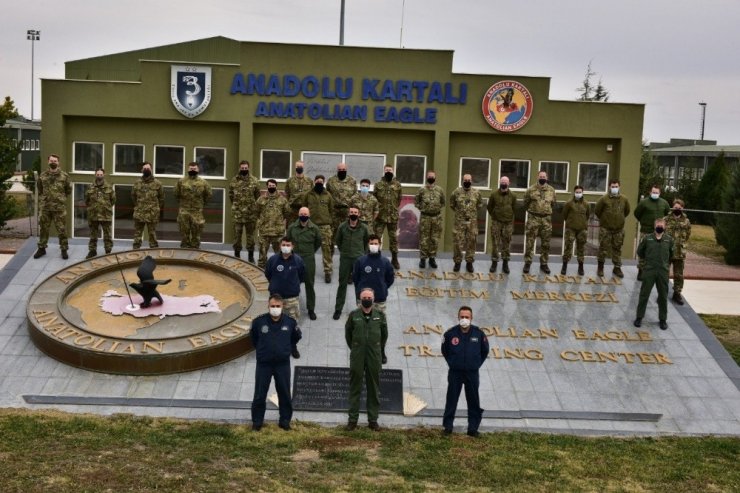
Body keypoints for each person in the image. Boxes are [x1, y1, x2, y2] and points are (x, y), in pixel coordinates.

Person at [250, 294, 302, 431]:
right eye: (272, 306)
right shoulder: (259, 322)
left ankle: (285, 421)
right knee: (260, 394)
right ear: (268, 306)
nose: (275, 308)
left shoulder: (290, 322)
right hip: (264, 364)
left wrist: (285, 349)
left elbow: (295, 338)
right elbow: (254, 339)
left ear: (282, 306)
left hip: (282, 364)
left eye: (277, 306)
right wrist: (263, 350)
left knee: (284, 393)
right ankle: (257, 422)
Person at [441, 306, 489, 437]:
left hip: (472, 373)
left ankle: (473, 428)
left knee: (473, 400)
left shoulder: (479, 334)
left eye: (466, 317)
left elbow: (484, 351)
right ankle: (448, 426)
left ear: (471, 318)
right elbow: (445, 350)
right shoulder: (450, 334)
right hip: (455, 372)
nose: (464, 319)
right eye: (462, 317)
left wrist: (476, 364)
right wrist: (452, 362)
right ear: (458, 317)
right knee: (451, 399)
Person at [345, 287, 388, 431]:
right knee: (355, 387)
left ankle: (373, 420)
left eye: (369, 298)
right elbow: (348, 335)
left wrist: (377, 349)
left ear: (373, 299)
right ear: (360, 298)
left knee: (373, 388)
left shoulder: (380, 315)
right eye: (365, 297)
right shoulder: (354, 315)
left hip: (374, 355)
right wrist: (357, 347)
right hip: (357, 354)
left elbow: (384, 335)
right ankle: (352, 420)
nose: (367, 300)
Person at [634, 218, 674, 330]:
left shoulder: (669, 240)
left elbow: (672, 254)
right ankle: (639, 317)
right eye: (658, 225)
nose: (660, 227)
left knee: (663, 296)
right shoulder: (647, 238)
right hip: (649, 270)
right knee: (644, 294)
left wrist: (665, 265)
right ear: (654, 226)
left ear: (665, 227)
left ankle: (663, 319)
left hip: (662, 271)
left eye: (662, 225)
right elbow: (640, 251)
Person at [294, 175, 335, 283]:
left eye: (321, 182)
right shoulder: (308, 194)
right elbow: (304, 208)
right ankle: (303, 270)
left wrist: (328, 221)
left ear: (324, 182)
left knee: (326, 249)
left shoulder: (328, 195)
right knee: (307, 249)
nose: (319, 183)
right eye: (317, 181)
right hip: (310, 225)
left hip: (324, 226)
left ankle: (327, 271)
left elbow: (331, 210)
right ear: (314, 181)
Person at [333, 206, 369, 320]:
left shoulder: (364, 228)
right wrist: (344, 251)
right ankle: (338, 309)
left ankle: (360, 309)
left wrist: (361, 254)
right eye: (351, 212)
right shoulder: (342, 226)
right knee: (342, 284)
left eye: (355, 212)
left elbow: (366, 242)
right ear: (348, 214)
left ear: (359, 214)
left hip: (358, 260)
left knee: (359, 285)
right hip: (345, 259)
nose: (353, 214)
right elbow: (338, 241)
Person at [287, 207, 323, 320]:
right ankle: (292, 307)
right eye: (301, 213)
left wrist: (310, 252)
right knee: (293, 284)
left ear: (309, 215)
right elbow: (288, 241)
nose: (303, 215)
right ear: (298, 214)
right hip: (295, 258)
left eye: (305, 214)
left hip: (308, 259)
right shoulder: (292, 227)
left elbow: (318, 242)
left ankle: (311, 309)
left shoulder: (314, 228)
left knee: (309, 284)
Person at [34, 154, 72, 259]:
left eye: (55, 161)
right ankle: (42, 249)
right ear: (48, 162)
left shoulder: (64, 176)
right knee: (44, 229)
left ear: (58, 162)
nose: (53, 162)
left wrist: (59, 198)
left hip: (59, 208)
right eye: (51, 160)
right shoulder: (43, 176)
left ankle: (64, 249)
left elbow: (68, 190)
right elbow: (40, 189)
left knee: (62, 229)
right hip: (46, 207)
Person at [265, 237, 305, 330]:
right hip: (276, 299)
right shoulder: (273, 260)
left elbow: (302, 276)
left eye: (288, 245)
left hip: (292, 299)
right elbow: (268, 274)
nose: (285, 247)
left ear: (292, 246)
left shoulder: (298, 260)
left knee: (292, 324)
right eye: (283, 245)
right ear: (280, 246)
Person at [594, 179, 631, 278]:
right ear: (609, 187)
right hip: (606, 229)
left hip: (618, 230)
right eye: (613, 186)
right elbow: (597, 211)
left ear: (619, 187)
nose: (614, 188)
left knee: (617, 249)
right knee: (603, 248)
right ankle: (600, 267)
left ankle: (617, 268)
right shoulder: (604, 199)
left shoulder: (624, 199)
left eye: (616, 186)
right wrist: (605, 220)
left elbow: (626, 211)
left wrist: (619, 219)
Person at [634, 184, 670, 280]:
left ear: (660, 193)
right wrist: (644, 221)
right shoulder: (644, 203)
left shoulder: (664, 203)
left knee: (657, 252)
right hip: (646, 231)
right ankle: (641, 271)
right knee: (644, 251)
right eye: (653, 192)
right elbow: (637, 213)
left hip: (659, 232)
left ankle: (654, 272)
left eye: (657, 193)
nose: (655, 194)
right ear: (650, 192)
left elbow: (667, 214)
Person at [522, 170, 556, 274]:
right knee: (530, 242)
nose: (542, 178)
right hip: (533, 219)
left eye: (544, 176)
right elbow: (525, 203)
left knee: (546, 243)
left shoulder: (551, 190)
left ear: (547, 177)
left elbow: (553, 203)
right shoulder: (531, 189)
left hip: (546, 220)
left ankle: (544, 264)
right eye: (540, 176)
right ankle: (528, 263)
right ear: (538, 177)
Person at [352, 234, 395, 313]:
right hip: (363, 299)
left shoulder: (385, 262)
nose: (373, 245)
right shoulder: (360, 261)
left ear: (379, 245)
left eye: (376, 244)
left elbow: (390, 279)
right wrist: (361, 289)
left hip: (379, 299)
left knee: (378, 324)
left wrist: (383, 287)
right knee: (361, 323)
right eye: (371, 244)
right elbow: (355, 279)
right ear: (368, 245)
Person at [228, 160, 261, 262]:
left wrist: (252, 208)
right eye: (242, 168)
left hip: (250, 214)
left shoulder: (254, 181)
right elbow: (231, 195)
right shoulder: (234, 180)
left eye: (245, 168)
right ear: (239, 168)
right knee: (237, 236)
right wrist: (237, 206)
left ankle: (251, 256)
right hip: (237, 214)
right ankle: (237, 255)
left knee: (250, 236)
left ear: (248, 168)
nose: (244, 170)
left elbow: (257, 196)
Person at [174, 162, 213, 249]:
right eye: (191, 168)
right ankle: (184, 253)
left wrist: (201, 204)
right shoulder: (181, 181)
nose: (192, 170)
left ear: (198, 170)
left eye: (194, 169)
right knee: (184, 233)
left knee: (196, 234)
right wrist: (183, 204)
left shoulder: (203, 182)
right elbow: (176, 194)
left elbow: (209, 195)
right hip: (184, 211)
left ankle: (195, 254)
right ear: (188, 169)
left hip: (197, 212)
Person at [449, 173, 482, 273]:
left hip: (472, 222)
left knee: (471, 242)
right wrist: (460, 213)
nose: (467, 182)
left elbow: (479, 205)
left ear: (471, 181)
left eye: (469, 180)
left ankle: (469, 262)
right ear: (462, 180)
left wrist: (470, 213)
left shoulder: (476, 192)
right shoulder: (456, 192)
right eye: (465, 180)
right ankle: (457, 262)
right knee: (458, 243)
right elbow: (452, 204)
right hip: (459, 222)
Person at [373, 165, 403, 269]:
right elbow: (374, 199)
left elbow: (399, 199)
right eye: (386, 170)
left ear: (393, 171)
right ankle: (375, 258)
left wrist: (393, 208)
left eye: (390, 170)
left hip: (393, 217)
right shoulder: (378, 184)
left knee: (393, 239)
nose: (388, 172)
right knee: (376, 237)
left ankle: (394, 259)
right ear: (384, 171)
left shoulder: (398, 185)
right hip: (380, 217)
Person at [255, 179, 290, 269]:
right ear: (267, 186)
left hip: (277, 232)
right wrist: (262, 222)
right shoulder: (261, 199)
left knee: (279, 255)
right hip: (264, 231)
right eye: (270, 186)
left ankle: (280, 270)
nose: (271, 187)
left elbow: (287, 213)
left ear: (276, 186)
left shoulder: (282, 200)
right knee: (262, 257)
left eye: (273, 186)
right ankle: (261, 272)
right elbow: (256, 212)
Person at [414, 170, 445, 268]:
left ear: (435, 178)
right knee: (424, 239)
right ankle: (423, 259)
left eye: (432, 176)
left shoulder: (440, 190)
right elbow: (416, 202)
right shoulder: (421, 190)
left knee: (434, 239)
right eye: (429, 176)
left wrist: (436, 208)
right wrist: (422, 208)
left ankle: (432, 258)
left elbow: (443, 202)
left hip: (436, 218)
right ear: (426, 178)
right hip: (425, 217)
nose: (431, 178)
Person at [487, 175, 517, 274]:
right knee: (495, 243)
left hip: (508, 223)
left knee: (506, 243)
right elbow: (489, 207)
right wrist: (495, 215)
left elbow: (514, 208)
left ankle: (505, 263)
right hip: (496, 222)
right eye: (502, 182)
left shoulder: (513, 195)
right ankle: (494, 262)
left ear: (509, 183)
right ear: (500, 182)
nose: (504, 183)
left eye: (505, 182)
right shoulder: (494, 194)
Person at [664, 199, 691, 305]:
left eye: (679, 208)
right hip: (667, 251)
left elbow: (688, 235)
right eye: (675, 208)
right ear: (672, 207)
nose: (677, 210)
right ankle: (662, 293)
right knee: (664, 274)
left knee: (679, 274)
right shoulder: (666, 219)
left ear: (682, 208)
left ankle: (677, 293)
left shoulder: (686, 221)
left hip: (680, 252)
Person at [132, 162, 164, 250]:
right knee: (137, 233)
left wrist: (155, 208)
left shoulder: (158, 183)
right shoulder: (137, 183)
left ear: (151, 169)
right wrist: (139, 206)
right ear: (142, 170)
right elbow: (133, 196)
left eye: (148, 168)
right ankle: (135, 250)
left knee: (152, 233)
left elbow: (161, 198)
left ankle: (154, 250)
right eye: (145, 168)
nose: (146, 170)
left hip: (152, 213)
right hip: (139, 213)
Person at [84, 167, 115, 259]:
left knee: (107, 235)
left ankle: (108, 251)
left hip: (106, 215)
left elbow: (113, 200)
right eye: (98, 174)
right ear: (95, 175)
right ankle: (92, 251)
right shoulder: (90, 187)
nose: (99, 176)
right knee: (93, 234)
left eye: (101, 175)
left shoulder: (109, 187)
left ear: (104, 175)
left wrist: (105, 207)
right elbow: (87, 200)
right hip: (93, 215)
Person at [561, 185, 589, 276]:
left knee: (581, 249)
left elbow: (587, 216)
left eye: (580, 192)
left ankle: (581, 267)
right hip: (571, 229)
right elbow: (564, 215)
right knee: (568, 248)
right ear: (574, 192)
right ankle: (564, 266)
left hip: (582, 230)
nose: (578, 194)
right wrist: (571, 222)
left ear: (582, 192)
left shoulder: (586, 204)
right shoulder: (569, 203)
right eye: (577, 192)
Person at [326, 162, 357, 244]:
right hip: (334, 211)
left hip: (347, 211)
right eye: (340, 170)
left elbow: (355, 196)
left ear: (346, 170)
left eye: (343, 170)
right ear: (337, 170)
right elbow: (327, 195)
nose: (341, 171)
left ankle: (345, 255)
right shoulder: (331, 180)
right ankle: (329, 256)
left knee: (347, 233)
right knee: (331, 234)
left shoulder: (352, 181)